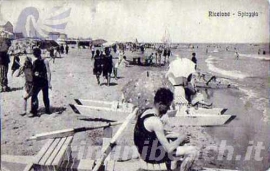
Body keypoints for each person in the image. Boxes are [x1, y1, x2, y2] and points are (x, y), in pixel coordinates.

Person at [134, 88, 198, 171]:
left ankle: (173, 168)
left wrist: (177, 135)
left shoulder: (145, 112)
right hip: (151, 156)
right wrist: (181, 138)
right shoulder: (156, 122)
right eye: (167, 106)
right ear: (160, 104)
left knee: (175, 139)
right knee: (193, 151)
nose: (168, 109)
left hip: (144, 151)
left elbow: (152, 134)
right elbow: (169, 149)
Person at [30, 48, 52, 117]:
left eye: (34, 53)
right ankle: (38, 110)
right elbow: (32, 72)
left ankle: (42, 110)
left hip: (42, 81)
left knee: (37, 96)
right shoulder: (36, 61)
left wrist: (49, 82)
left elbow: (48, 72)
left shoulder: (45, 61)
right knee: (38, 96)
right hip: (39, 81)